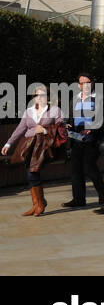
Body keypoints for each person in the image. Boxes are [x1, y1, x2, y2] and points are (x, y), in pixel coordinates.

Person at [2, 84, 65, 217]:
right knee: (30, 173)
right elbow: (20, 129)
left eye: (42, 95)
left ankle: (40, 203)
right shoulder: (28, 111)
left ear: (47, 97)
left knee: (33, 172)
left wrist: (45, 130)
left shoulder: (55, 110)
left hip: (44, 147)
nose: (39, 98)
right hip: (28, 146)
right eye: (37, 95)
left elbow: (62, 129)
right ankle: (37, 204)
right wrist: (8, 143)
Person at [63, 74, 104, 208]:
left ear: (92, 83)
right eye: (82, 83)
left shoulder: (100, 98)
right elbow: (67, 117)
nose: (85, 85)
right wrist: (66, 124)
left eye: (87, 82)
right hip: (76, 140)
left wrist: (92, 128)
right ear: (78, 85)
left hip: (92, 140)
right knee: (76, 171)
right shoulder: (74, 99)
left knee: (90, 168)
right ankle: (78, 199)